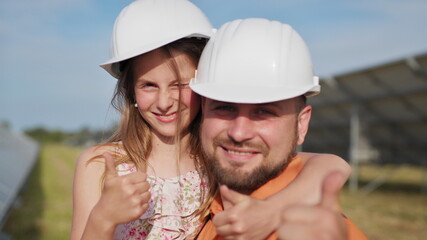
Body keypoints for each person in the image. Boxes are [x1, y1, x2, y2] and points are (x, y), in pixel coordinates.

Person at [71, 1, 352, 240]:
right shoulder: (101, 164)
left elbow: (331, 165)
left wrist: (273, 210)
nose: (165, 101)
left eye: (180, 85)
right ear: (130, 90)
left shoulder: (217, 156)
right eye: (148, 86)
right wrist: (103, 218)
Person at [190, 18, 368, 240]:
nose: (238, 133)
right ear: (203, 110)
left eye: (264, 112)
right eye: (224, 107)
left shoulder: (316, 232)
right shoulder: (198, 210)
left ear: (301, 124)